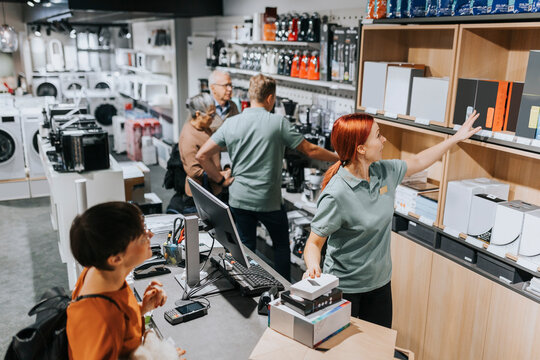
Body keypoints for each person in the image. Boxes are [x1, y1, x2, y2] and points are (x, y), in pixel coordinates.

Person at [303, 111, 481, 328]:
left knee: (378, 350)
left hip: (380, 286)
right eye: (378, 136)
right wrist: (313, 267)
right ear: (360, 149)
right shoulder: (337, 193)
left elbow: (418, 160)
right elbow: (314, 242)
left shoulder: (383, 172)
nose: (383, 140)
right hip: (345, 289)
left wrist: (454, 138)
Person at [196, 74, 338, 280]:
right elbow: (311, 150)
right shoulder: (278, 122)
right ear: (270, 98)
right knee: (281, 247)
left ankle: (248, 284)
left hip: (240, 198)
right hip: (268, 200)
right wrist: (338, 156)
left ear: (251, 95)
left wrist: (219, 179)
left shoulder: (231, 123)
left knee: (245, 247)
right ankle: (282, 290)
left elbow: (202, 156)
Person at [66, 202, 186, 359]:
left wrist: (141, 308)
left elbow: (120, 322)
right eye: (141, 236)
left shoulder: (101, 272)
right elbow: (111, 324)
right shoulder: (99, 321)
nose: (150, 235)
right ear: (116, 258)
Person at [177, 93, 230, 213]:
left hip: (214, 189)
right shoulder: (188, 137)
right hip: (199, 196)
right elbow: (194, 171)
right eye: (211, 115)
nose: (213, 118)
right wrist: (220, 176)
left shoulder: (206, 128)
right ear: (197, 114)